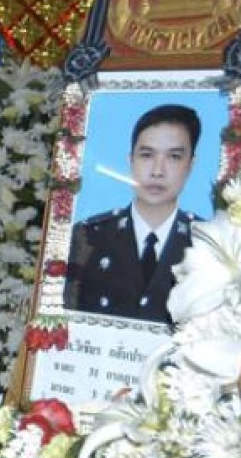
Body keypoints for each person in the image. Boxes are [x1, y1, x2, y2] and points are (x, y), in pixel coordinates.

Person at [63, 103, 202, 324]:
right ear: (131, 161)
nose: (158, 171)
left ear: (191, 165)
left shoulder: (208, 242)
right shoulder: (86, 238)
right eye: (147, 155)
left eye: (174, 157)